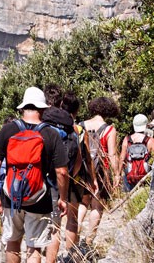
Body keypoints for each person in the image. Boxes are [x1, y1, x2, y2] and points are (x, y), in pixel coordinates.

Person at [0, 87, 69, 263]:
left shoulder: (8, 130)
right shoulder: (51, 133)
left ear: (23, 107)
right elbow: (62, 171)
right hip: (39, 197)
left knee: (12, 242)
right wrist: (63, 198)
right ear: (43, 109)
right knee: (34, 246)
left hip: (11, 195)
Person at [44, 90, 87, 262]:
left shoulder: (43, 125)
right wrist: (68, 180)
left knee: (38, 227)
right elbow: (79, 160)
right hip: (62, 183)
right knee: (57, 227)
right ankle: (64, 257)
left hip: (38, 182)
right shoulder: (75, 130)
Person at [77, 97, 120, 247]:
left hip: (81, 170)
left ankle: (73, 233)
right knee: (96, 206)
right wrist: (117, 174)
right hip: (100, 171)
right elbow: (112, 155)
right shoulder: (109, 130)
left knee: (82, 202)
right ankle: (88, 241)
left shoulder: (80, 126)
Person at [119, 114, 154, 190]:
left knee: (129, 200)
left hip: (129, 177)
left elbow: (121, 158)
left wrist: (117, 175)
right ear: (146, 125)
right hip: (146, 177)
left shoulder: (127, 139)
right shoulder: (150, 140)